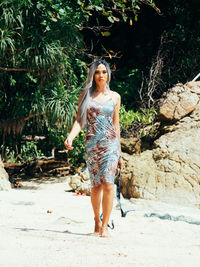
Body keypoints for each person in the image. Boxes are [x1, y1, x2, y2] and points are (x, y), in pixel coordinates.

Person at [64, 60, 123, 238]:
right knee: (96, 186)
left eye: (104, 72)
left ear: (108, 75)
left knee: (108, 185)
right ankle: (96, 221)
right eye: (97, 72)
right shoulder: (85, 96)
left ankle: (105, 226)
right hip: (92, 145)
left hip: (110, 145)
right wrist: (71, 136)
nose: (101, 75)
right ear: (93, 75)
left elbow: (116, 125)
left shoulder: (115, 97)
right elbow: (80, 120)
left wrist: (119, 153)